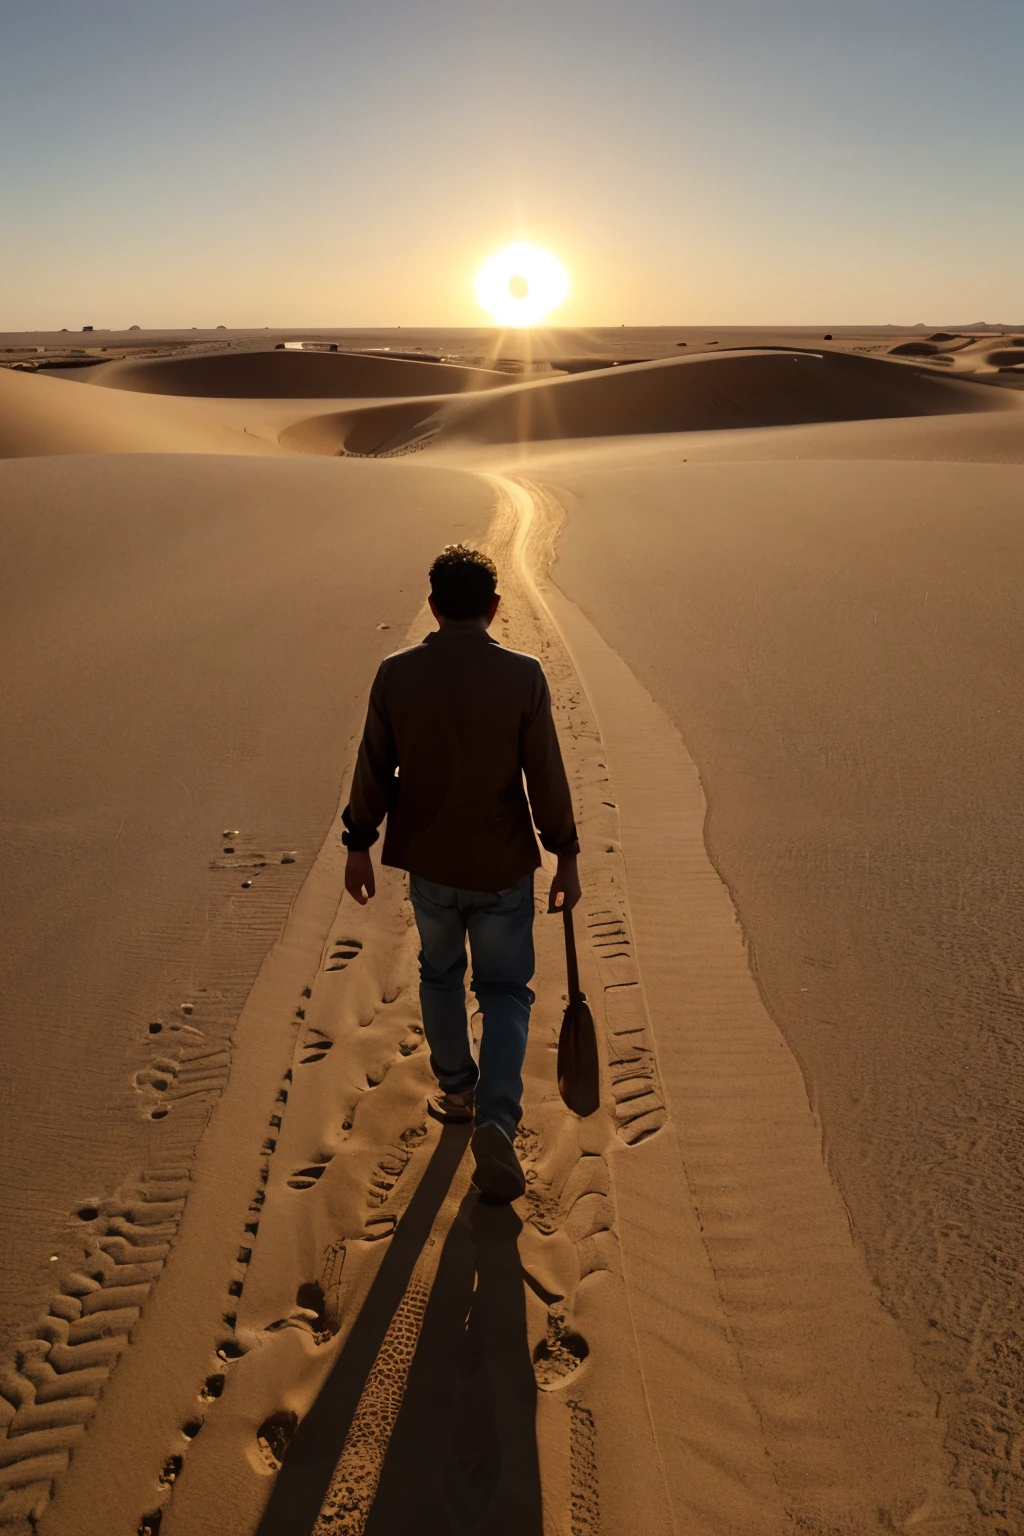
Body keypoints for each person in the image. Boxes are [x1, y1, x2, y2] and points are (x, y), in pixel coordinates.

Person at [341, 544, 581, 1203]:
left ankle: (457, 1093)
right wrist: (566, 853)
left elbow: (372, 769)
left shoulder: (396, 676)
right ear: (495, 608)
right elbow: (547, 774)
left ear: (434, 606)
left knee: (440, 975)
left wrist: (358, 843)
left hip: (432, 867)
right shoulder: (524, 675)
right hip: (502, 865)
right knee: (504, 991)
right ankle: (498, 1119)